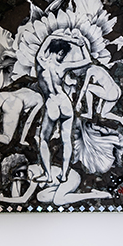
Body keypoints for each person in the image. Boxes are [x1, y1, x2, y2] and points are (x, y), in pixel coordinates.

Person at [35, 33, 92, 184]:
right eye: (64, 54)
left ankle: (48, 175)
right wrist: (80, 44)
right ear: (60, 52)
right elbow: (88, 60)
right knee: (66, 140)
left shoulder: (41, 61)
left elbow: (49, 37)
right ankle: (64, 174)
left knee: (44, 139)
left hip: (52, 102)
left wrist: (70, 39)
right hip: (65, 103)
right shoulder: (63, 67)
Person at [0, 87, 44, 152]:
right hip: (14, 103)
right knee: (7, 138)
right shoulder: (40, 100)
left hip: (1, 96)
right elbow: (28, 121)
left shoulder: (26, 90)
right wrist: (22, 140)